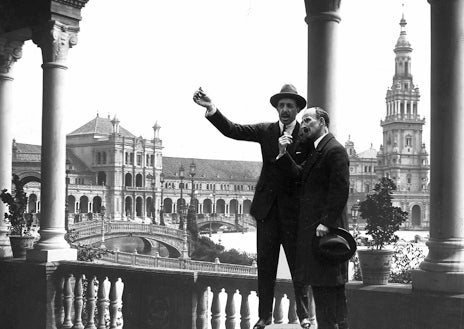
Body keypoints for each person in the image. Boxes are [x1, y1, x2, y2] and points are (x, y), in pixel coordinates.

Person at [193, 84, 314, 329]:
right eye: (281, 105)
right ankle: (264, 316)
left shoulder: (306, 136)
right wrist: (212, 108)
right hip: (267, 211)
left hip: (293, 214)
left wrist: (283, 154)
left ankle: (304, 315)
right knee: (266, 266)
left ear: (298, 109)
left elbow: (303, 176)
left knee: (298, 266)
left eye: (290, 106)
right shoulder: (266, 131)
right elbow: (233, 130)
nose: (284, 110)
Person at [277, 107, 351, 329]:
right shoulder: (318, 150)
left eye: (308, 120)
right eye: (303, 121)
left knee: (329, 296)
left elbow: (340, 190)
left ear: (322, 122)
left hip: (327, 236)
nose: (304, 125)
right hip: (319, 236)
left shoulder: (334, 150)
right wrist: (283, 154)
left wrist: (326, 222)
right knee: (327, 293)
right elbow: (300, 176)